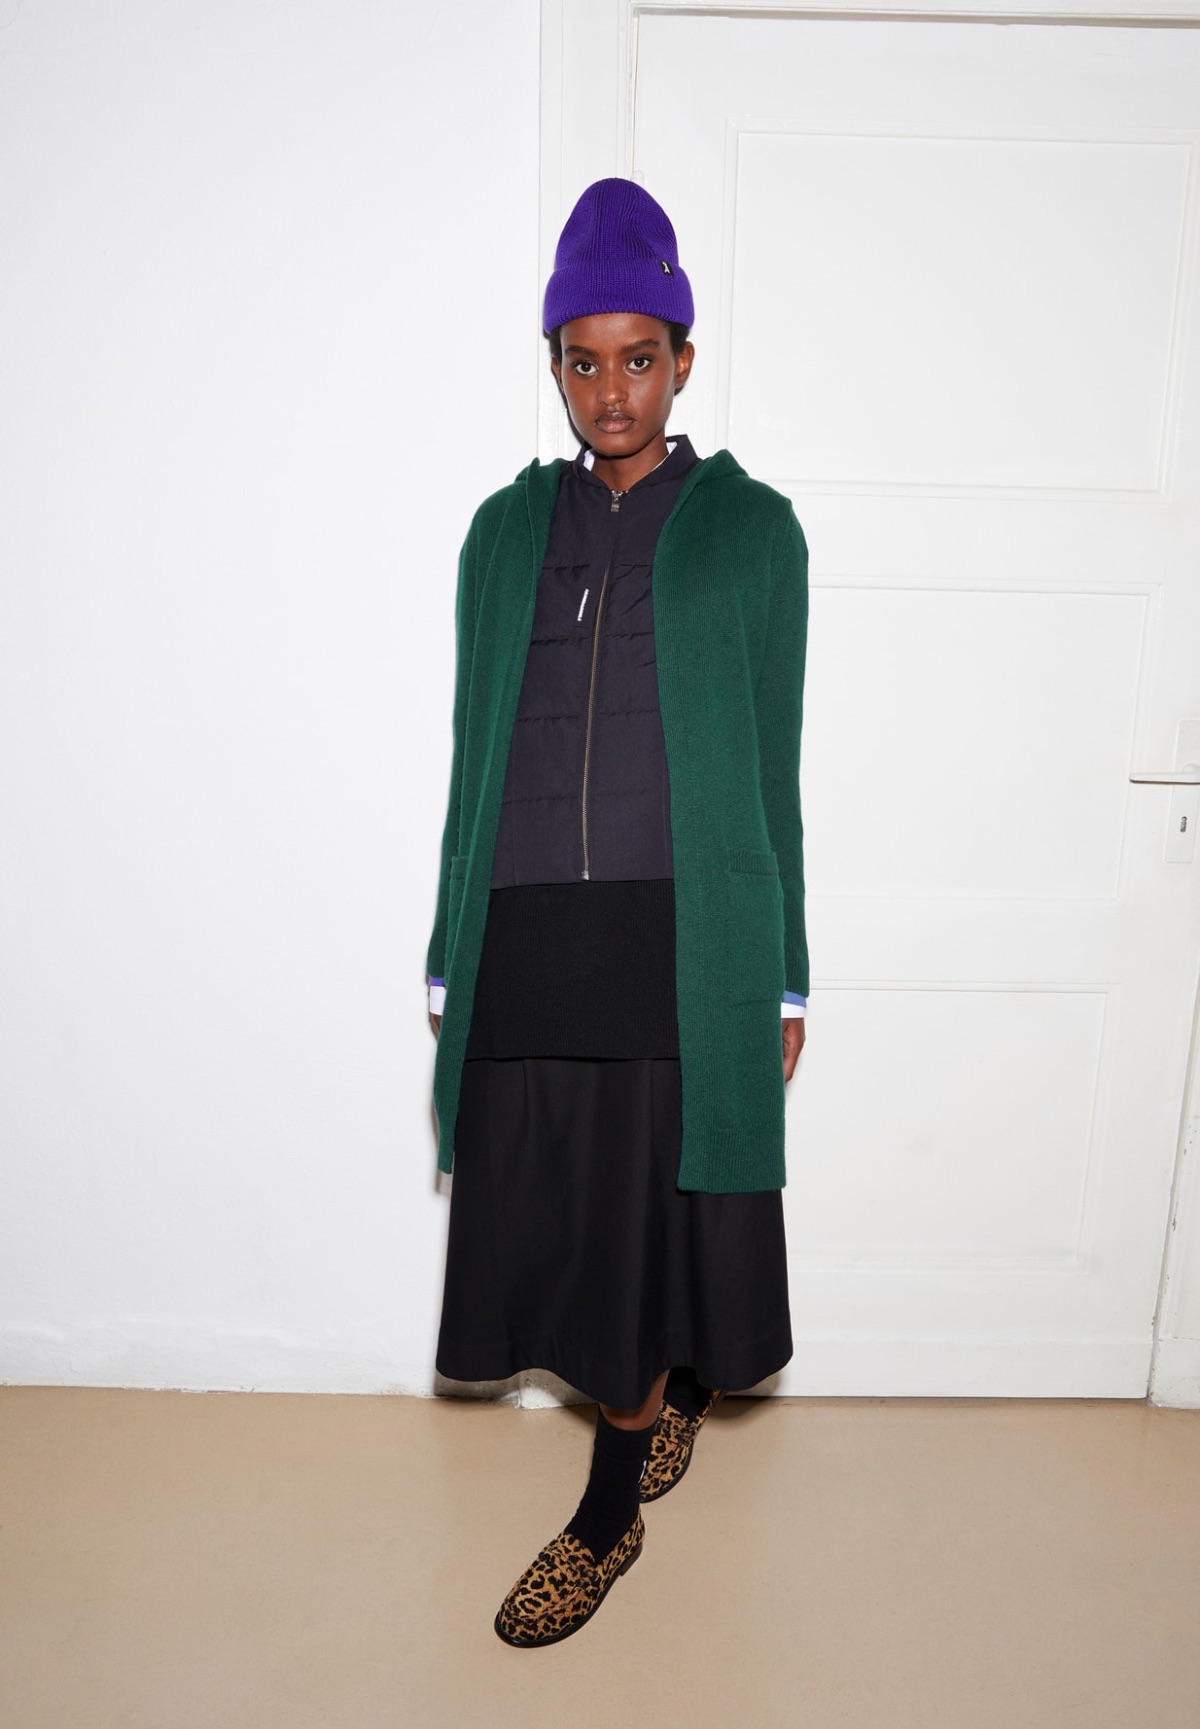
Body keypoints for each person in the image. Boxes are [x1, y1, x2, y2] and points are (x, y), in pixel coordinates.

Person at [425, 177, 809, 1648]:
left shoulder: (753, 532)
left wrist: (785, 975)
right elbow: (472, 755)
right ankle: (661, 1402)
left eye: (638, 357)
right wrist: (451, 952)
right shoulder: (501, 533)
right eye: (581, 361)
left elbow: (774, 766)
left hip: (681, 938)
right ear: (555, 368)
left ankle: (605, 1514)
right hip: (530, 929)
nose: (610, 390)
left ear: (684, 360)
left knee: (647, 1231)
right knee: (571, 1227)